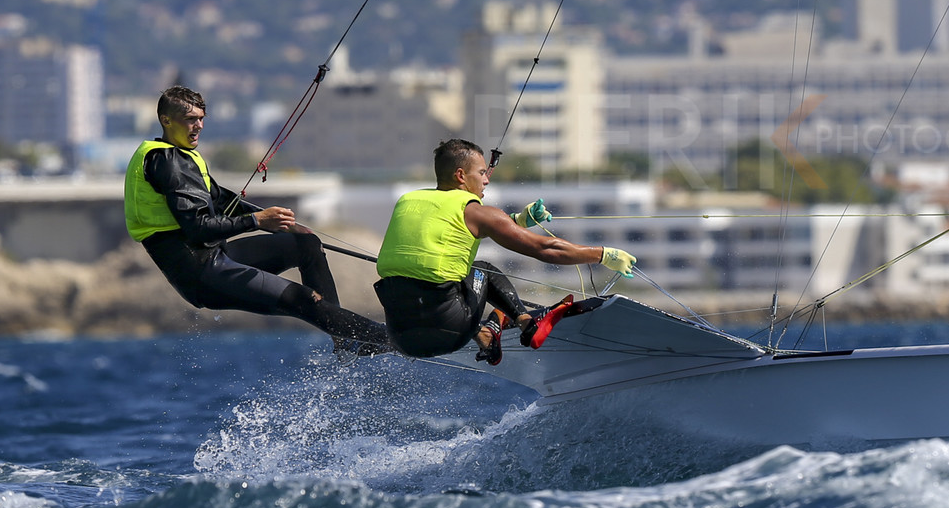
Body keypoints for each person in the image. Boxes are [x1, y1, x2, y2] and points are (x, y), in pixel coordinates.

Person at [124, 85, 390, 356]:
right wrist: (257, 220)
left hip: (217, 257)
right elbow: (198, 229)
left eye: (202, 118)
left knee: (305, 244)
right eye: (191, 119)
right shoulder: (165, 160)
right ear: (166, 120)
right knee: (303, 299)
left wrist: (281, 224)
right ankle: (386, 338)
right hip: (202, 274)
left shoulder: (181, 155)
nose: (199, 126)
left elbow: (221, 200)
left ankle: (344, 339)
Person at [373, 138, 636, 363]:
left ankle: (486, 335)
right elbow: (545, 248)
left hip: (402, 338)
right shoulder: (476, 212)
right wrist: (603, 254)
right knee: (481, 270)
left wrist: (517, 221)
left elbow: (453, 232)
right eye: (481, 173)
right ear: (461, 176)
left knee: (446, 279)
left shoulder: (409, 201)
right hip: (451, 331)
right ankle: (526, 322)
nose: (486, 180)